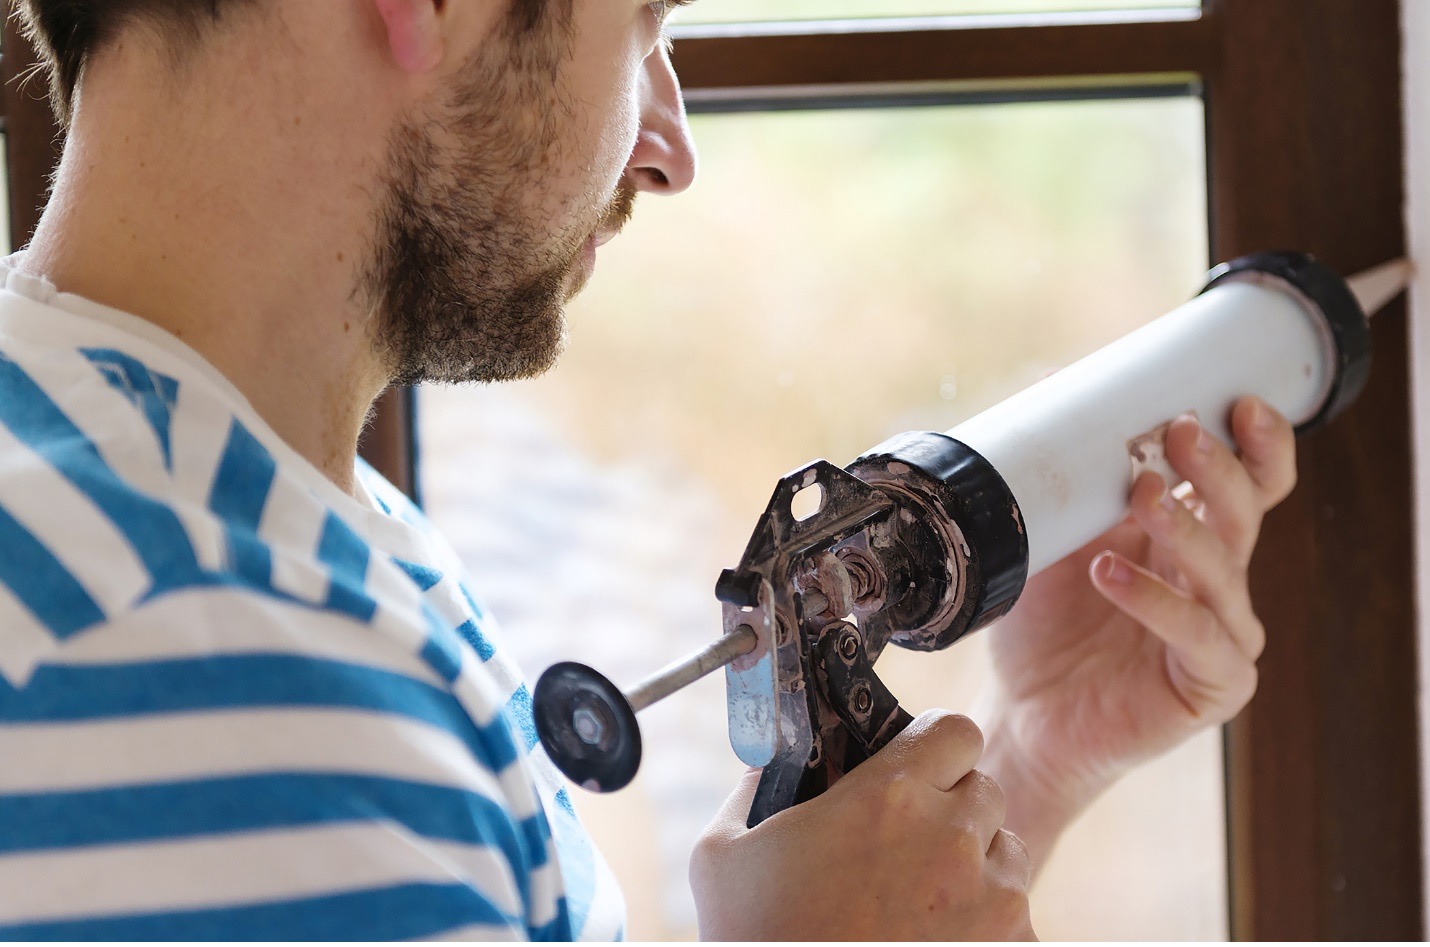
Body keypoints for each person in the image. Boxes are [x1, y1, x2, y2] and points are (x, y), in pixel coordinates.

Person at [0, 0, 1296, 940]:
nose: (669, 146)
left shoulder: (237, 501)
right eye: (641, 23)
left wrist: (1023, 773)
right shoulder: (195, 646)